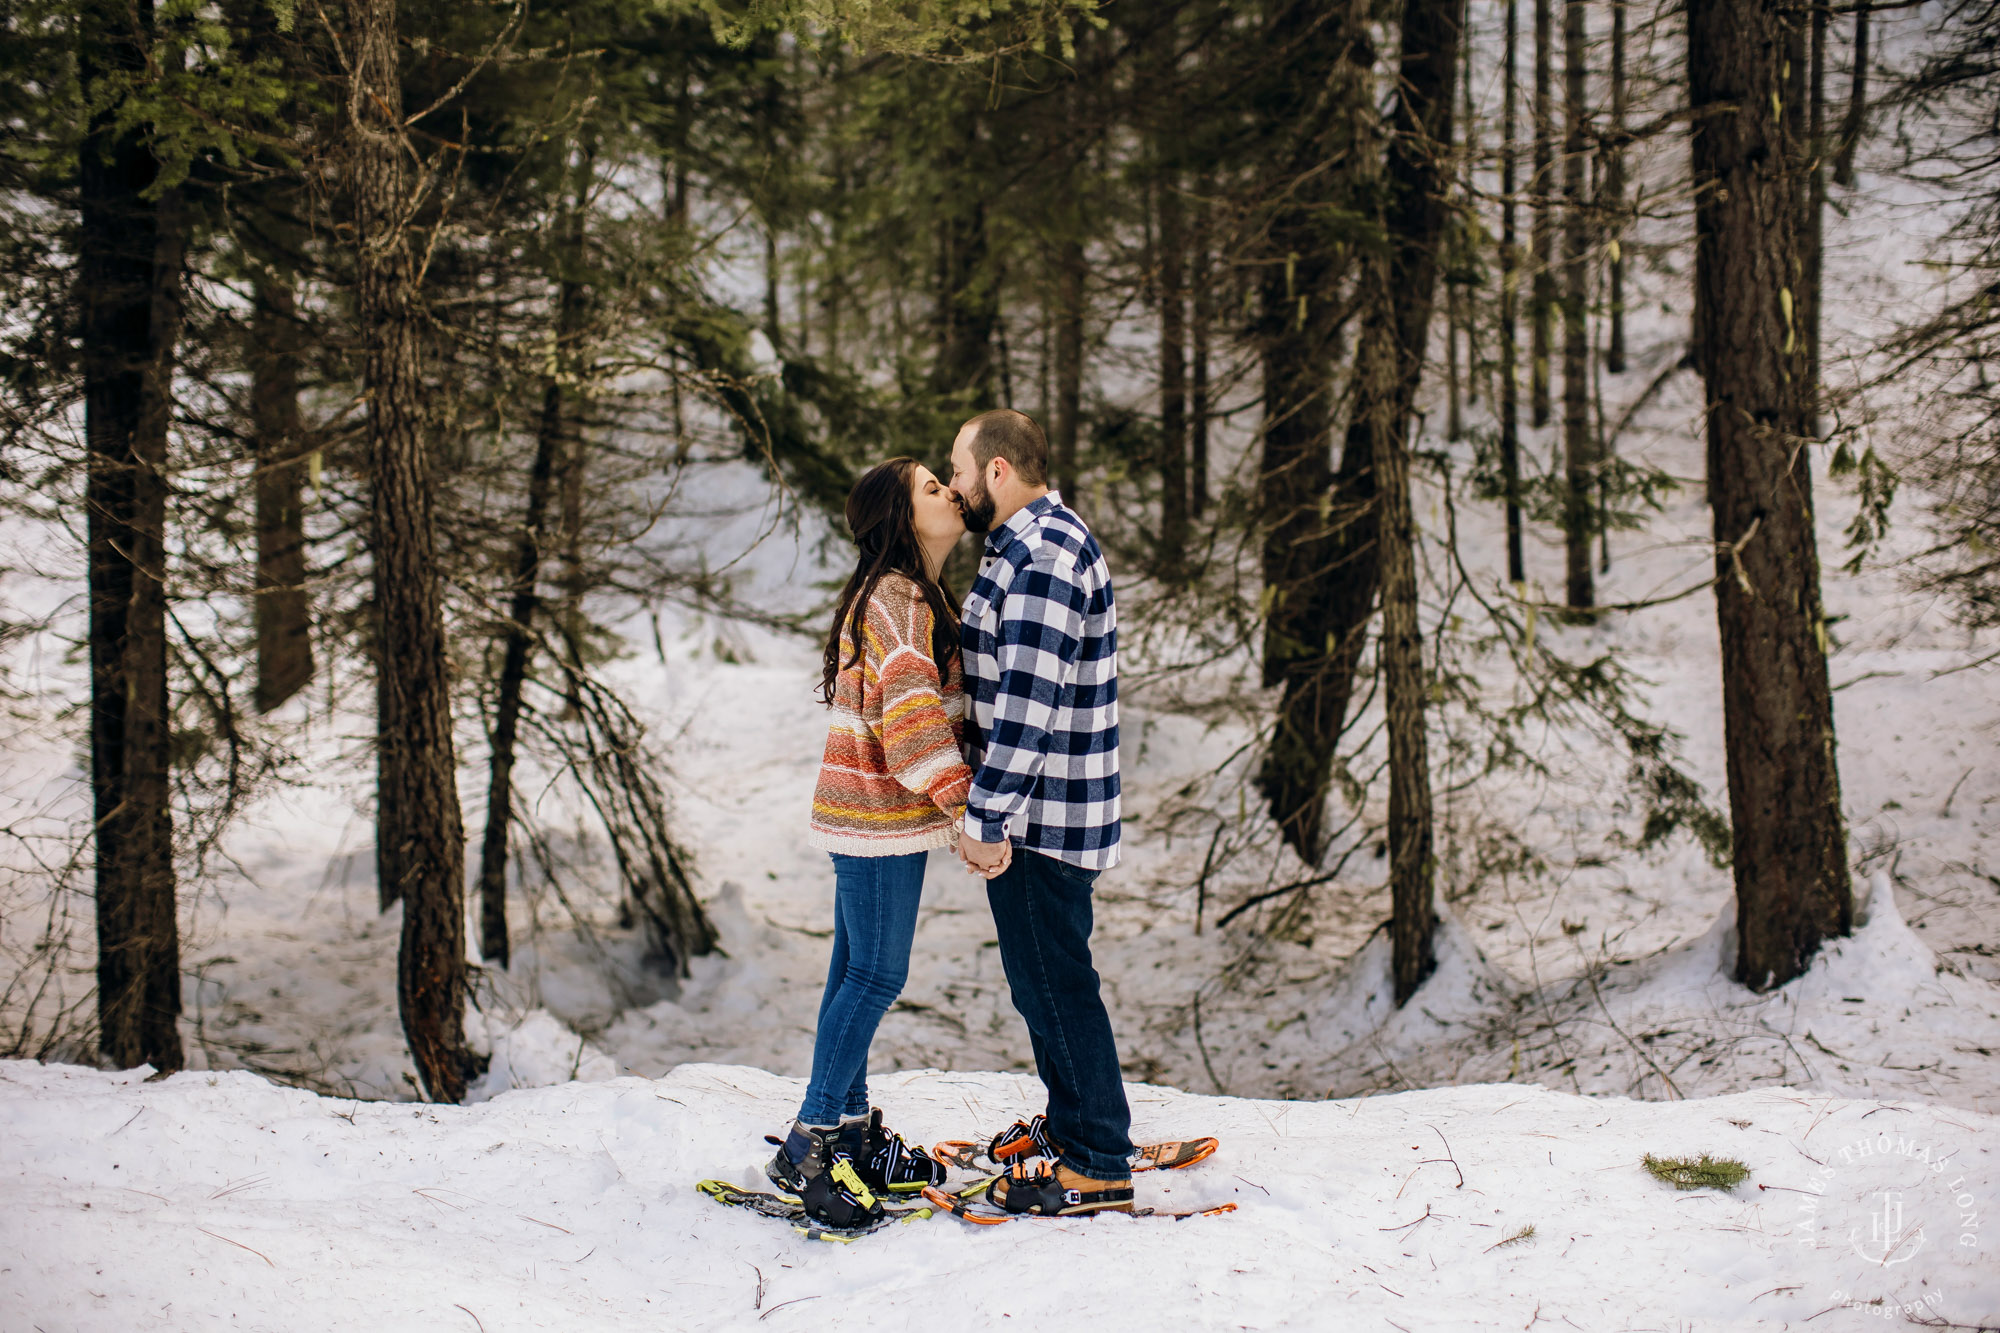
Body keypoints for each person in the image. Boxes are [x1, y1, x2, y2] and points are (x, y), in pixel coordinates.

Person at [764, 456, 1002, 1232]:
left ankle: (853, 1133)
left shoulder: (910, 594)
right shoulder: (899, 598)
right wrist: (971, 809)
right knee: (874, 974)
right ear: (903, 519)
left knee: (852, 971)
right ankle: (810, 1139)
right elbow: (910, 729)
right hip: (876, 818)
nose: (950, 493)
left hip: (872, 818)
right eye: (932, 488)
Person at [945, 408, 1137, 1217]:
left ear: (996, 471)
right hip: (1042, 809)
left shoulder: (1046, 555)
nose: (953, 488)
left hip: (1041, 817)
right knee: (1043, 980)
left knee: (1055, 982)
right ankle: (1074, 1127)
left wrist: (985, 818)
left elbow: (1028, 706)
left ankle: (1095, 1152)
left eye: (957, 471)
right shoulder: (1024, 548)